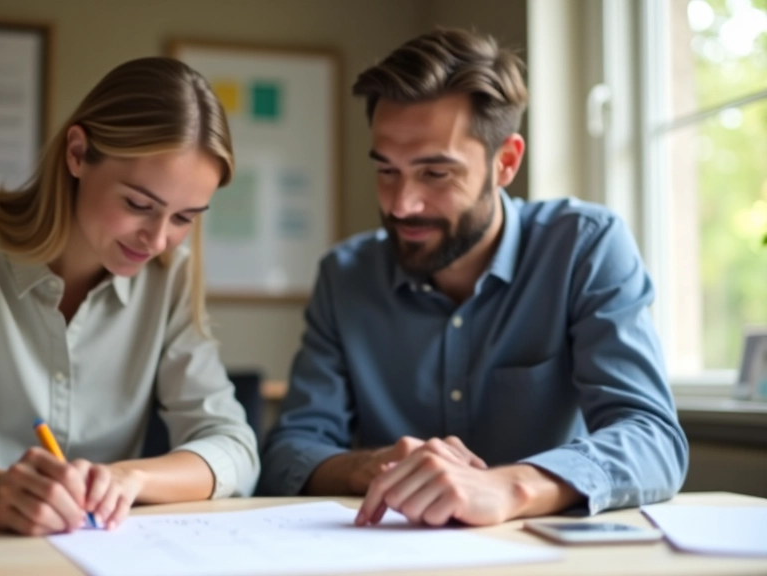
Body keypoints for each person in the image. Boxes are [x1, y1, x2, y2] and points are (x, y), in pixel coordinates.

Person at [258, 28, 688, 526]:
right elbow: (289, 452)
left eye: (435, 174)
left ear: (505, 162)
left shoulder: (585, 246)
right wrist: (374, 467)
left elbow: (652, 437)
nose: (402, 205)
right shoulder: (345, 276)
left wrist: (510, 487)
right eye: (387, 171)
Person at [0, 57, 259, 536]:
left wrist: (126, 478)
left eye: (185, 218)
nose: (158, 239)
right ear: (78, 153)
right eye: (139, 205)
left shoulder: (170, 276)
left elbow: (235, 447)